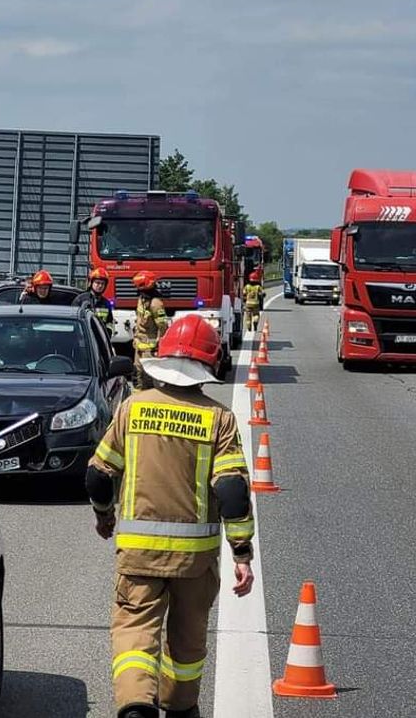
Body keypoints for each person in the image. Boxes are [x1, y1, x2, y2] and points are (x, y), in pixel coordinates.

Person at [85, 315, 256, 718]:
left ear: (163, 359)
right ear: (208, 365)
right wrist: (242, 553)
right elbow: (232, 491)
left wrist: (104, 514)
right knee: (187, 644)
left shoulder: (132, 409)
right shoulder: (219, 419)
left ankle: (136, 707)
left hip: (138, 555)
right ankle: (179, 708)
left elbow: (98, 474)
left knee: (134, 635)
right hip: (194, 562)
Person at [132, 271, 169, 391]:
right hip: (139, 345)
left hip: (150, 348)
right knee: (137, 377)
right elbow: (139, 320)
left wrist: (159, 345)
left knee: (149, 379)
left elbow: (162, 326)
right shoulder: (141, 300)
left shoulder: (156, 304)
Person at [75, 267, 115, 332]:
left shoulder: (106, 303)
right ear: (91, 283)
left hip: (99, 338)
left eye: (102, 284)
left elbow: (109, 323)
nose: (100, 286)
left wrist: (107, 334)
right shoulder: (80, 299)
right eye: (97, 283)